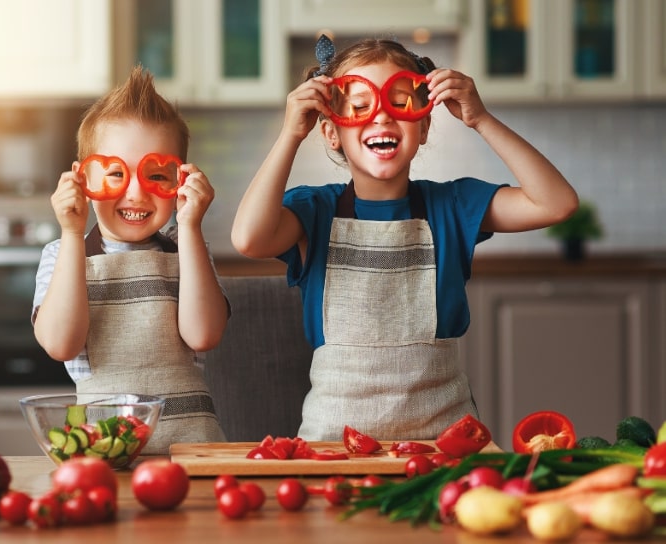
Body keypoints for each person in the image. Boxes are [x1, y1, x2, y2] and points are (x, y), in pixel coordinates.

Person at [231, 36, 578, 441]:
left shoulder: (452, 205)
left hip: (445, 451)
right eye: (360, 107)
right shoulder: (314, 212)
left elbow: (556, 203)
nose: (380, 117)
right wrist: (290, 134)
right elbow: (249, 240)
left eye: (400, 103)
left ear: (425, 125)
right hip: (332, 452)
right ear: (330, 132)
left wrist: (481, 119)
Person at [32, 66, 228, 454]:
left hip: (192, 453)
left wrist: (190, 227)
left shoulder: (189, 251)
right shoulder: (63, 255)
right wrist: (72, 233)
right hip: (106, 452)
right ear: (82, 180)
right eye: (115, 174)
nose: (136, 193)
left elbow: (203, 335)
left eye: (157, 174)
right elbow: (60, 344)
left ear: (181, 180)